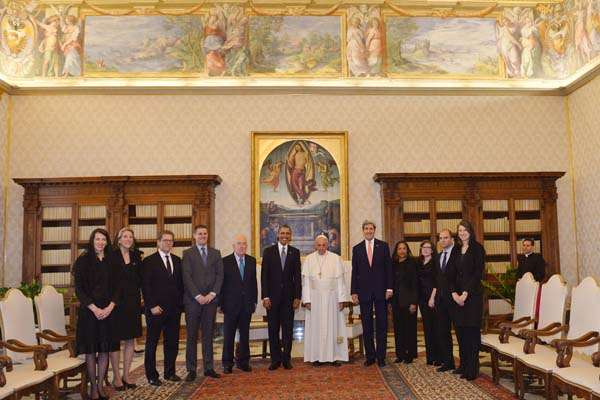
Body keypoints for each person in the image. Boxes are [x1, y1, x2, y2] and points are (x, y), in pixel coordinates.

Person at [74, 228, 119, 400]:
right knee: (91, 351)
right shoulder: (83, 261)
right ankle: (93, 387)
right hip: (90, 313)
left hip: (109, 312)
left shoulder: (113, 261)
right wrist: (95, 308)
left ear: (107, 242)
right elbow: (79, 289)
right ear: (92, 241)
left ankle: (100, 385)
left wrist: (110, 307)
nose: (100, 242)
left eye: (103, 239)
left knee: (105, 350)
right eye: (97, 239)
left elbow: (118, 287)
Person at [141, 230, 184, 386]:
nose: (168, 243)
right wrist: (151, 305)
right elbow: (145, 286)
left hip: (174, 310)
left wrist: (181, 306)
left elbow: (181, 286)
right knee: (152, 343)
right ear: (158, 242)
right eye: (165, 240)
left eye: (171, 241)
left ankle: (170, 372)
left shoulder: (178, 260)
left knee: (172, 342)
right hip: (155, 310)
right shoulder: (149, 261)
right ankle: (152, 375)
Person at [183, 225, 224, 381]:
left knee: (208, 335)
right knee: (192, 336)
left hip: (210, 302)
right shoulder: (187, 254)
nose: (202, 236)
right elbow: (186, 277)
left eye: (205, 233)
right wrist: (198, 295)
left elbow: (220, 275)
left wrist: (212, 294)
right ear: (194, 236)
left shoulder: (215, 253)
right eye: (199, 233)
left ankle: (208, 367)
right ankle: (191, 369)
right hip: (193, 302)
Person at [351, 220, 393, 367]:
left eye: (371, 228)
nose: (368, 231)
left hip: (381, 291)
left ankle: (381, 356)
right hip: (364, 292)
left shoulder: (383, 246)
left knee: (382, 324)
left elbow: (388, 269)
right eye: (366, 229)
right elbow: (354, 272)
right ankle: (370, 356)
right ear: (363, 231)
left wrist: (389, 288)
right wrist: (354, 292)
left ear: (374, 230)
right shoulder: (357, 249)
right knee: (367, 325)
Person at [302, 234, 349, 367]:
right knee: (316, 328)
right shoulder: (309, 259)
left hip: (332, 298)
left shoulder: (335, 258)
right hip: (315, 298)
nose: (321, 248)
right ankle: (316, 356)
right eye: (319, 245)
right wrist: (307, 300)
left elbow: (340, 281)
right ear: (315, 246)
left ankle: (334, 356)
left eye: (324, 245)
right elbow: (305, 282)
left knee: (333, 327)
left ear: (327, 245)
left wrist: (341, 299)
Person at [261, 224, 302, 370]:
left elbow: (297, 277)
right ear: (277, 235)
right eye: (282, 233)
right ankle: (275, 360)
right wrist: (265, 297)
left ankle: (286, 359)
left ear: (290, 236)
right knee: (273, 329)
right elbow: (264, 276)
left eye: (287, 233)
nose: (285, 235)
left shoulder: (295, 252)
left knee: (287, 329)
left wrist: (297, 297)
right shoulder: (268, 251)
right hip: (272, 298)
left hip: (289, 299)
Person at [450, 220, 485, 381]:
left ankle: (472, 369)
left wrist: (465, 293)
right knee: (461, 333)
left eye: (464, 230)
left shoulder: (478, 249)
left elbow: (477, 274)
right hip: (457, 298)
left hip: (472, 297)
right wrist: (454, 294)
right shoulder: (456, 249)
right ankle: (463, 365)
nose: (462, 232)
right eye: (459, 230)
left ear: (470, 231)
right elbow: (450, 274)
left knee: (471, 334)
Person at [109, 227, 143, 391]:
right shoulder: (111, 256)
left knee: (130, 339)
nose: (128, 239)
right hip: (115, 304)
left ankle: (126, 375)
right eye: (125, 236)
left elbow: (140, 279)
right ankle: (116, 377)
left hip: (133, 303)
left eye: (131, 236)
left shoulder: (137, 256)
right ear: (119, 239)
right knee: (115, 340)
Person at [220, 234, 257, 374]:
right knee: (228, 336)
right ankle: (227, 363)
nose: (242, 246)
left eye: (244, 244)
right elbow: (222, 285)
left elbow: (253, 283)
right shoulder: (225, 261)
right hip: (230, 305)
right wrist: (221, 304)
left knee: (245, 335)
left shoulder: (251, 261)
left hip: (247, 305)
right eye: (239, 243)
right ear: (233, 246)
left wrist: (254, 300)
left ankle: (243, 362)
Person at [432, 229, 460, 373]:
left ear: (451, 239)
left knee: (459, 332)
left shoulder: (458, 254)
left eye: (446, 238)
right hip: (441, 300)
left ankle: (464, 364)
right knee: (443, 332)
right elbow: (437, 279)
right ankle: (448, 362)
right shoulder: (437, 257)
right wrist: (434, 297)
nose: (443, 240)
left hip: (455, 300)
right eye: (441, 238)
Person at [390, 241, 418, 364]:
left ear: (407, 250)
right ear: (396, 251)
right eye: (399, 248)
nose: (402, 251)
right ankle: (400, 354)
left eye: (404, 248)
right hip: (396, 301)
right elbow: (390, 284)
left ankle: (409, 354)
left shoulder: (413, 263)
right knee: (398, 329)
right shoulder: (393, 264)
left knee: (409, 329)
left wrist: (414, 302)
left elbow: (415, 284)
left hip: (409, 302)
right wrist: (390, 302)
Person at [417, 240, 441, 366]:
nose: (425, 249)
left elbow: (437, 282)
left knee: (435, 327)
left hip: (433, 298)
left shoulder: (435, 262)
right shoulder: (419, 263)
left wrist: (432, 298)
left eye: (428, 247)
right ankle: (430, 357)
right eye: (423, 247)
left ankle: (438, 357)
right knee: (427, 328)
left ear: (432, 250)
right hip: (422, 299)